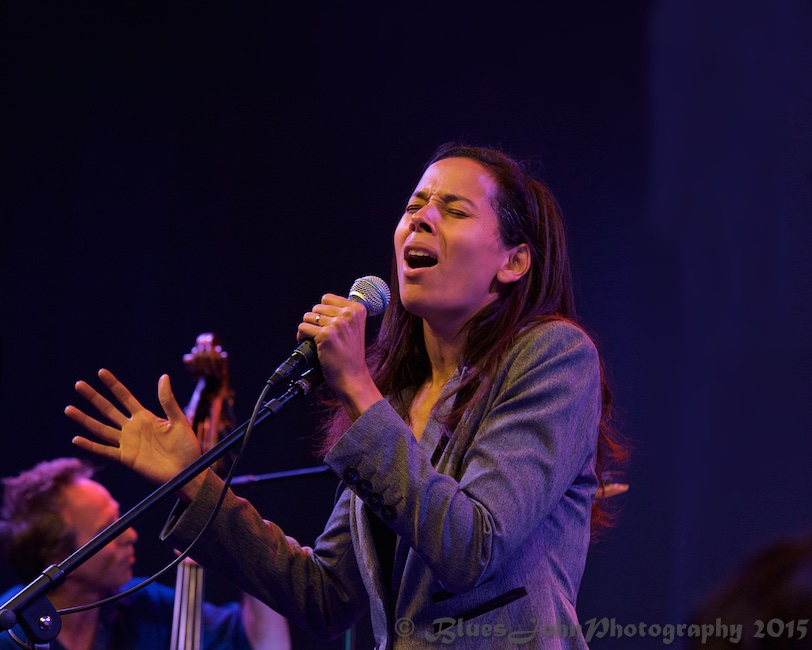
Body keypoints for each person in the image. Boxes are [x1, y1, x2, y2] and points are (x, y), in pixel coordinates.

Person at [65, 143, 627, 648]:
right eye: (414, 206)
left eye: (454, 211)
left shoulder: (553, 356)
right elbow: (325, 596)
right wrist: (196, 480)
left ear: (513, 261)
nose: (422, 219)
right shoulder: (399, 398)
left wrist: (358, 387)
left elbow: (471, 549)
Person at [0, 457, 291, 650]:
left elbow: (264, 643)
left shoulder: (143, 605)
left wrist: (247, 546)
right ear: (59, 559)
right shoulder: (8, 631)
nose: (131, 535)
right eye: (109, 529)